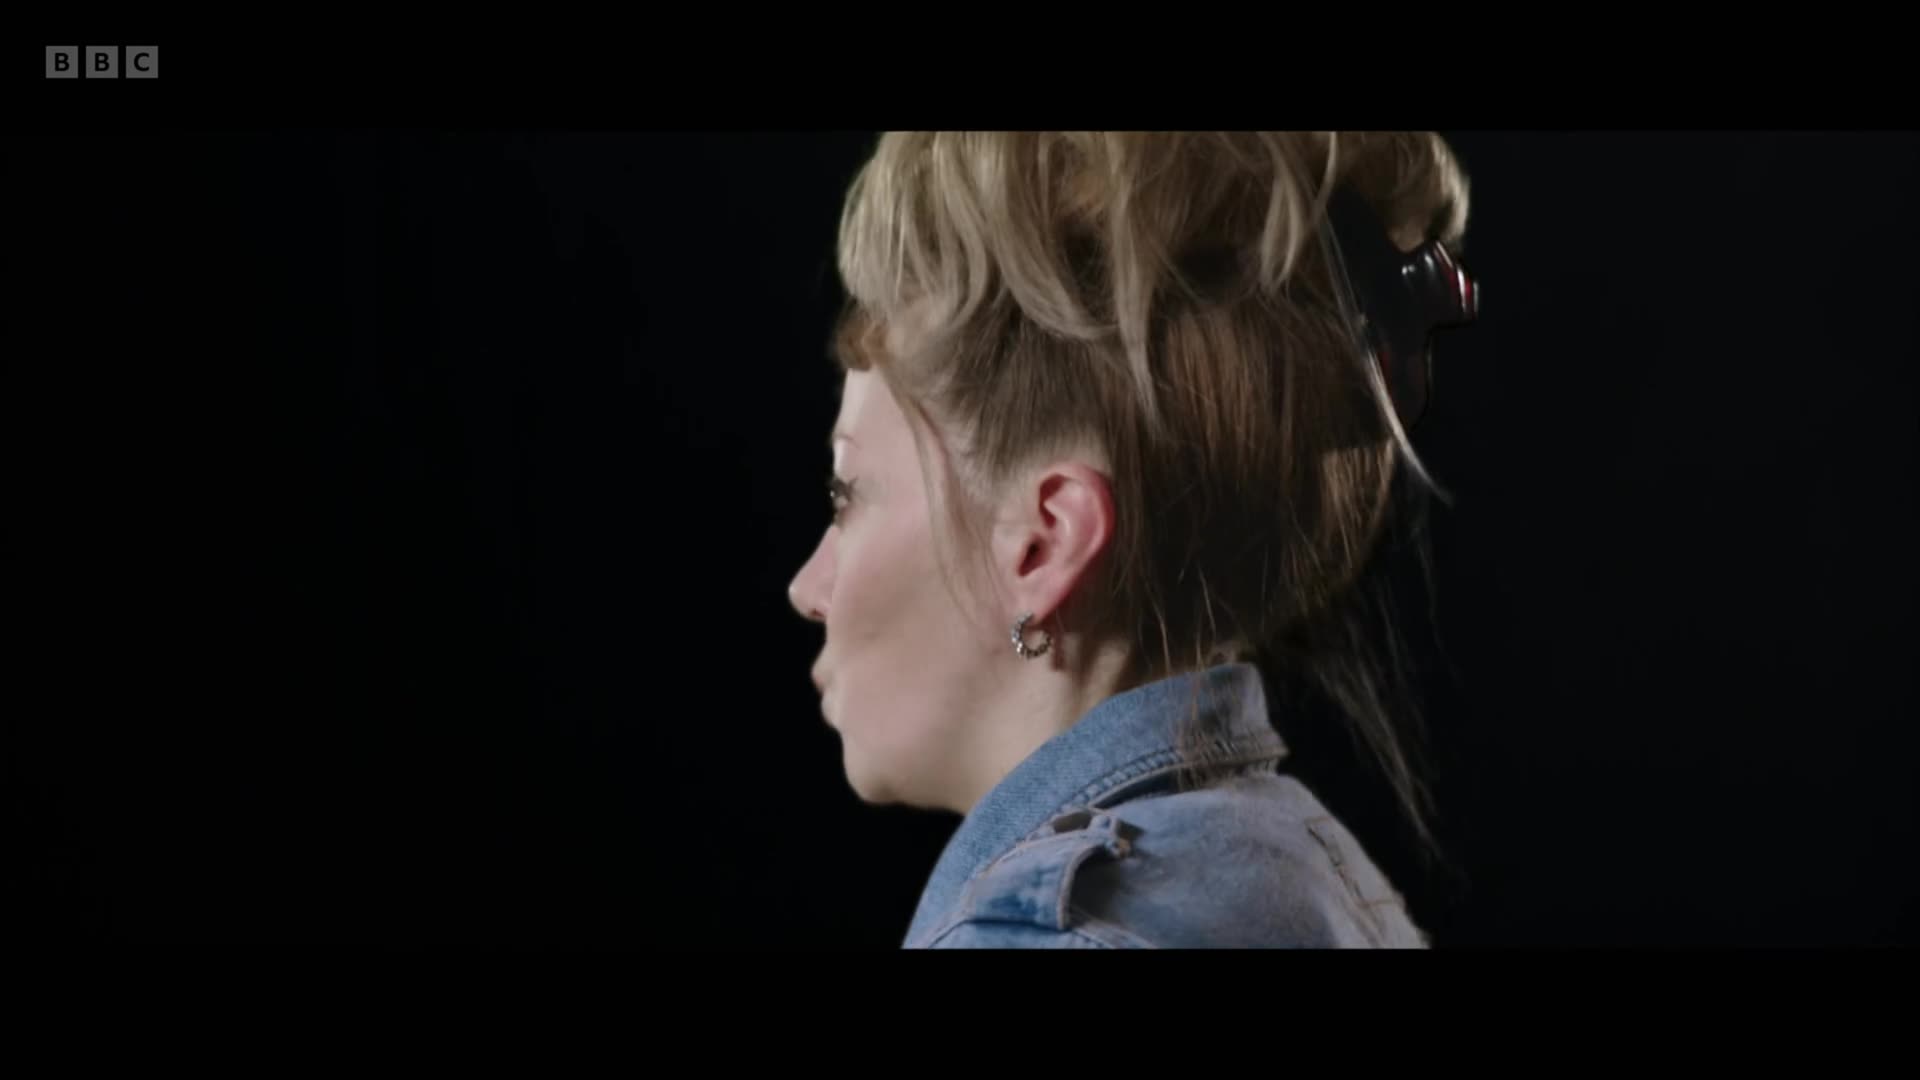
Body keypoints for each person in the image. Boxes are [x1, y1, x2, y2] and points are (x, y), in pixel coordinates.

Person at [786, 132, 1478, 948]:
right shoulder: (1326, 886)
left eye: (846, 496)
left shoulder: (1042, 936)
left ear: (1043, 545)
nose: (806, 588)